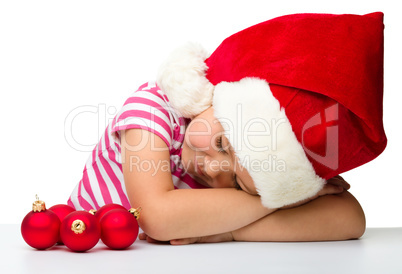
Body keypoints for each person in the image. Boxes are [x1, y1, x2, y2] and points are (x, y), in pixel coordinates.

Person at [68, 12, 386, 244]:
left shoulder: (249, 184)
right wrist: (277, 201)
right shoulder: (152, 109)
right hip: (80, 253)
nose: (216, 168)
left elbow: (351, 219)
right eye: (223, 142)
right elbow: (154, 216)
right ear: (217, 97)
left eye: (236, 181)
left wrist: (227, 230)